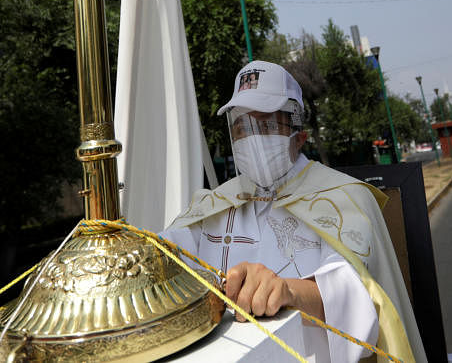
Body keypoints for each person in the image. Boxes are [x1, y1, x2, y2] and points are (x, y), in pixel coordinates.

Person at [161, 61, 426, 363]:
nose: (253, 137)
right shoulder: (214, 204)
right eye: (242, 126)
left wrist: (287, 291)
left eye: (268, 124)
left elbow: (355, 289)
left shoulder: (344, 198)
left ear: (299, 135)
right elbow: (162, 253)